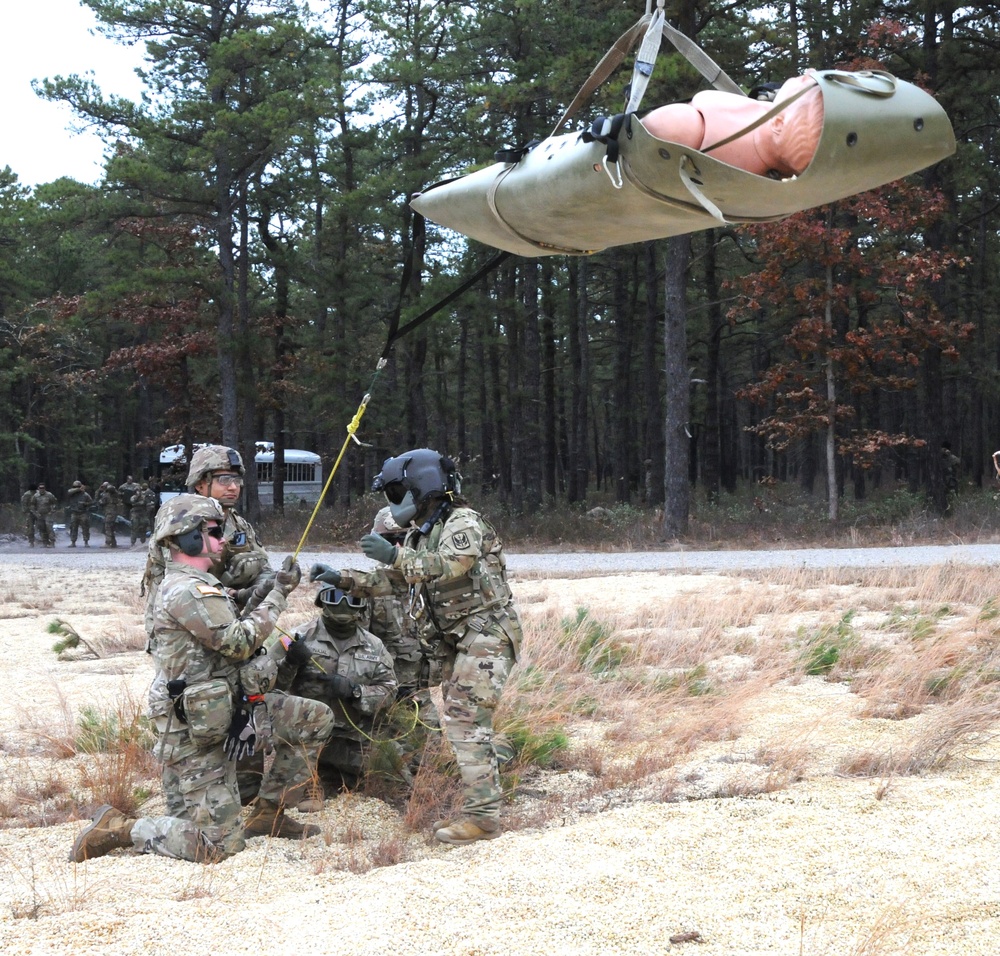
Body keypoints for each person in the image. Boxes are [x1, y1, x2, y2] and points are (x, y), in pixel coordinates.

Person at [70, 494, 333, 864]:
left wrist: (269, 588)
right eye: (214, 530)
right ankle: (117, 829)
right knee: (219, 847)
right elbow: (239, 642)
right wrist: (279, 595)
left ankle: (268, 813)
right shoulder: (186, 590)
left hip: (220, 712)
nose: (223, 538)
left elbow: (230, 616)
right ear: (189, 537)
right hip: (194, 729)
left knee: (313, 718)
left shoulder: (199, 584)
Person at [311, 448, 523, 846]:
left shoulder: (462, 522)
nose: (392, 501)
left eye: (395, 491)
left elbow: (449, 565)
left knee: (463, 716)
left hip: (487, 633)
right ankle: (495, 765)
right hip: (460, 638)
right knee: (463, 721)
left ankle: (483, 819)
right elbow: (392, 580)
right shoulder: (422, 531)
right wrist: (342, 579)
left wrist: (394, 554)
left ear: (420, 487)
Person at [142, 444, 274, 803]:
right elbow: (186, 580)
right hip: (198, 634)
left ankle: (241, 793)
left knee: (247, 702)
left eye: (237, 480)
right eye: (224, 480)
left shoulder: (237, 523)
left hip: (238, 623)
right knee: (203, 712)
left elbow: (261, 567)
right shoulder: (185, 519)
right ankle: (198, 796)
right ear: (201, 484)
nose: (233, 487)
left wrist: (261, 586)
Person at [276, 585, 397, 811]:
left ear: (360, 607)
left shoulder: (374, 645)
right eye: (335, 597)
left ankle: (333, 777)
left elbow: (389, 690)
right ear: (323, 603)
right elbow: (273, 687)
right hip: (307, 736)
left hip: (353, 735)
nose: (343, 604)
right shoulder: (299, 637)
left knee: (388, 777)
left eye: (350, 599)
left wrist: (355, 691)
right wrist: (290, 663)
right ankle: (308, 783)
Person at [639, 73, 824, 177]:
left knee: (676, 125)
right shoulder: (790, 164)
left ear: (778, 122)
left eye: (805, 83)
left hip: (666, 135)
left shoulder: (690, 127)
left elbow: (655, 129)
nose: (809, 72)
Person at [66, 480, 94, 547]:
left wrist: (84, 504)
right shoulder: (71, 493)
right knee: (73, 528)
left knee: (85, 528)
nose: (76, 488)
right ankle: (73, 542)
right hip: (74, 513)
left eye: (78, 486)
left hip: (83, 513)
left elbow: (91, 502)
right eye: (75, 487)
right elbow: (69, 492)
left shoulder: (85, 494)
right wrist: (79, 489)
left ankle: (86, 542)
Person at [31, 483, 58, 547]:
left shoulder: (49, 495)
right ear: (38, 488)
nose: (42, 489)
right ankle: (45, 542)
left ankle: (52, 542)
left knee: (49, 528)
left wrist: (52, 511)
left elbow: (54, 503)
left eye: (43, 488)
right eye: (40, 488)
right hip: (40, 515)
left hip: (48, 514)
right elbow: (32, 505)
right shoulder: (35, 496)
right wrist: (35, 513)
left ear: (45, 488)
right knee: (42, 529)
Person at [97, 482, 120, 548]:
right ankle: (113, 542)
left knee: (108, 527)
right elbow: (98, 500)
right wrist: (99, 490)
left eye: (104, 487)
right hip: (109, 513)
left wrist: (106, 487)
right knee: (111, 527)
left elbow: (101, 502)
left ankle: (108, 543)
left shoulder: (112, 493)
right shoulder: (106, 494)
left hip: (110, 513)